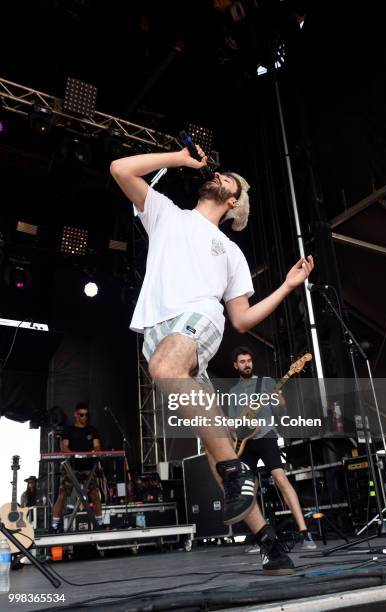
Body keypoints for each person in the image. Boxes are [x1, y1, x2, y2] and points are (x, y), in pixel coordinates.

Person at [110, 145, 314, 574]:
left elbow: (241, 318)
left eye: (229, 181)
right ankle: (270, 543)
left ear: (233, 201)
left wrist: (286, 287)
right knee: (215, 449)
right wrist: (181, 159)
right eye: (221, 175)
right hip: (158, 331)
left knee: (165, 371)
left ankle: (237, 472)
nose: (220, 178)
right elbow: (120, 168)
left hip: (200, 318)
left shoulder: (230, 251)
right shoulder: (166, 214)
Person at [228, 346, 317, 551]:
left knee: (280, 478)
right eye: (242, 361)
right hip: (245, 443)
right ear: (236, 365)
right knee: (248, 488)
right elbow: (233, 424)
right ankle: (261, 536)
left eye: (249, 360)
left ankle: (305, 533)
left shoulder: (266, 382)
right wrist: (234, 438)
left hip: (266, 435)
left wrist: (279, 401)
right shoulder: (233, 392)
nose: (247, 364)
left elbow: (281, 409)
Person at [51, 402, 103, 531]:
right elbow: (64, 447)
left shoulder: (92, 430)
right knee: (62, 494)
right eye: (81, 414)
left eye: (86, 414)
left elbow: (97, 446)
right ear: (75, 415)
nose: (84, 417)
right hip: (72, 467)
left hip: (87, 468)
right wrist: (75, 454)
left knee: (95, 494)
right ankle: (54, 524)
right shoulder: (69, 430)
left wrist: (95, 451)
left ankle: (100, 523)